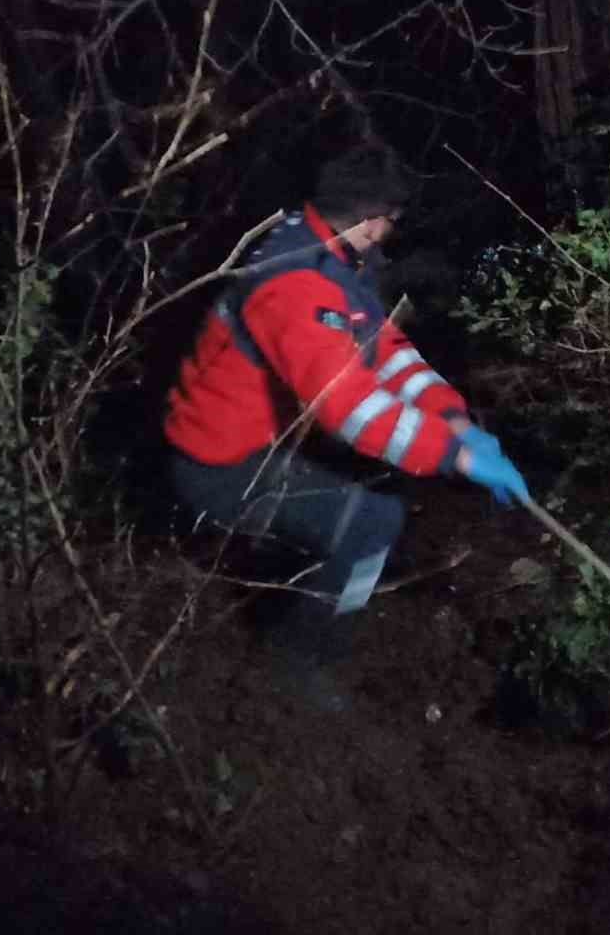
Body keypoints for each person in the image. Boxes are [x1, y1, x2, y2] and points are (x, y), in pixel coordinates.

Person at [163, 143, 528, 705]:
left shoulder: (328, 255)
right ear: (370, 219)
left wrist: (451, 418)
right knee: (371, 527)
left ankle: (289, 607)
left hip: (250, 440)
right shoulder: (294, 284)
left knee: (367, 505)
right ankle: (297, 665)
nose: (390, 232)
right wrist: (452, 455)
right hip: (217, 463)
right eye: (390, 221)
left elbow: (383, 347)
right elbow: (349, 409)